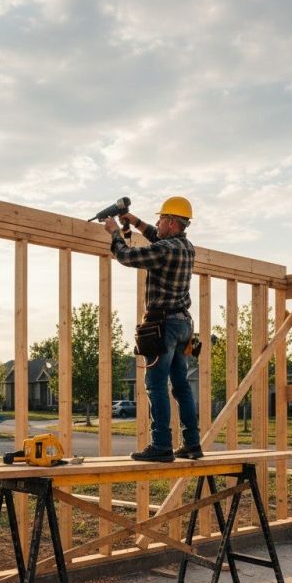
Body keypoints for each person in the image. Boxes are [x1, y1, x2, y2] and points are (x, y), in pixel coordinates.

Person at [104, 196, 203, 462]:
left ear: (171, 222)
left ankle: (161, 445)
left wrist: (115, 233)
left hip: (165, 325)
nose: (156, 223)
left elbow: (126, 256)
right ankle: (192, 444)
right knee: (181, 386)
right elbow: (156, 237)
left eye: (160, 219)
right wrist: (134, 222)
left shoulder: (165, 249)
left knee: (155, 385)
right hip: (183, 325)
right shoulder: (186, 247)